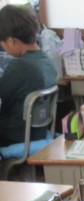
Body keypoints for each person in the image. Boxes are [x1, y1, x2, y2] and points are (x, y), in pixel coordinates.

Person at [0, 4, 57, 147]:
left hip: (14, 136)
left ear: (12, 41)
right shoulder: (48, 62)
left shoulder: (19, 67)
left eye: (2, 43)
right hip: (38, 133)